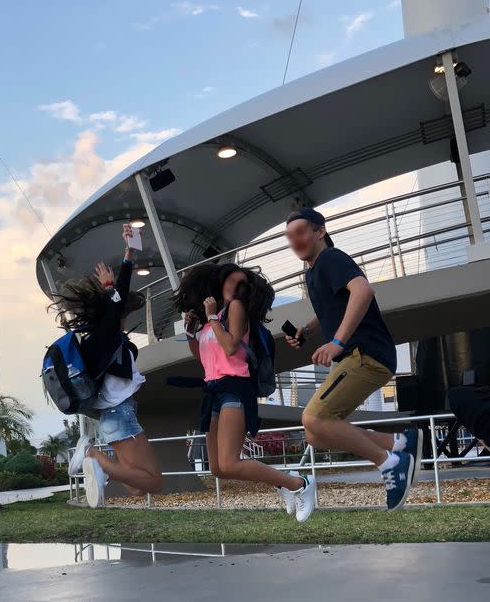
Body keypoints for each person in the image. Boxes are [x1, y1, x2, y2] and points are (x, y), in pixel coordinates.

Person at [284, 208, 422, 510]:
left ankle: (390, 463)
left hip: (365, 354)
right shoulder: (313, 272)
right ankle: (399, 443)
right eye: (290, 237)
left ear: (320, 231)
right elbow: (328, 310)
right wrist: (306, 330)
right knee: (315, 434)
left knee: (313, 418)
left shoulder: (330, 258)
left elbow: (363, 290)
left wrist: (336, 342)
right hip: (356, 357)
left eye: (302, 232)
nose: (296, 241)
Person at [174, 263, 317, 522]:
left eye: (240, 284)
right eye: (230, 281)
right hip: (213, 390)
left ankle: (300, 483)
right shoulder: (213, 319)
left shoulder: (235, 310)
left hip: (235, 388)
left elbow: (230, 348)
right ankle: (282, 483)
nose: (233, 287)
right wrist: (191, 333)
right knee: (217, 468)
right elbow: (203, 358)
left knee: (229, 462)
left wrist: (212, 317)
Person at [53, 224, 163, 507]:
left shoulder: (96, 339)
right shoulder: (102, 337)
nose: (123, 313)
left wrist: (128, 254)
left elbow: (119, 301)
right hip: (119, 415)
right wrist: (110, 285)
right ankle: (92, 455)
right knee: (153, 481)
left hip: (114, 417)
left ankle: (101, 468)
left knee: (137, 489)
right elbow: (116, 302)